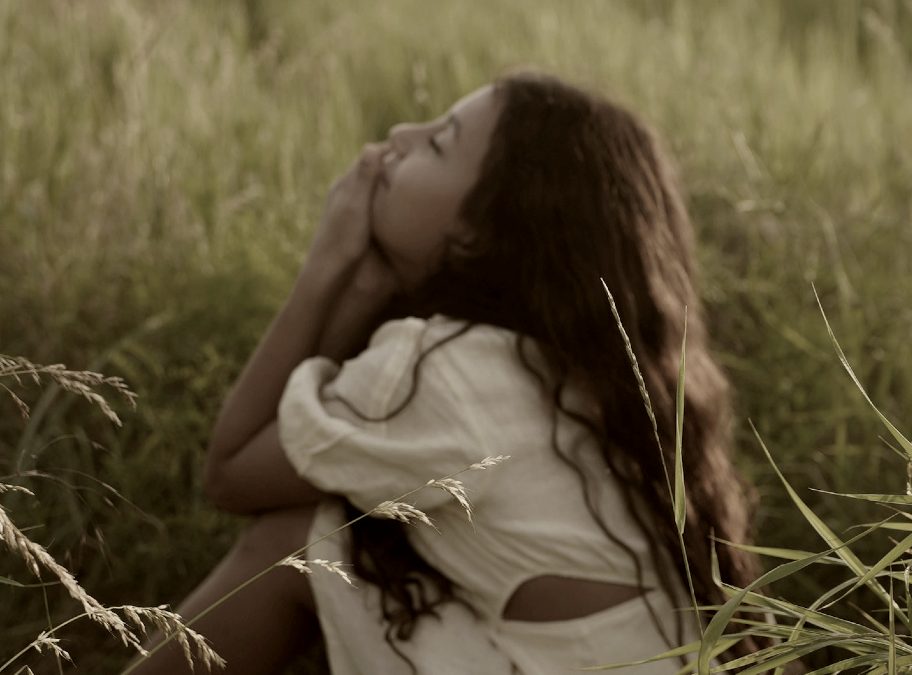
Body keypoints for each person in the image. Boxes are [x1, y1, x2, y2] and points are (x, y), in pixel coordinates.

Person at [129, 71, 760, 674]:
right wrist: (371, 287)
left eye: (436, 143)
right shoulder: (560, 365)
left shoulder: (452, 373)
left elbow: (233, 472)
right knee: (360, 540)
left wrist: (327, 266)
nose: (398, 135)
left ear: (475, 235)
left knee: (293, 545)